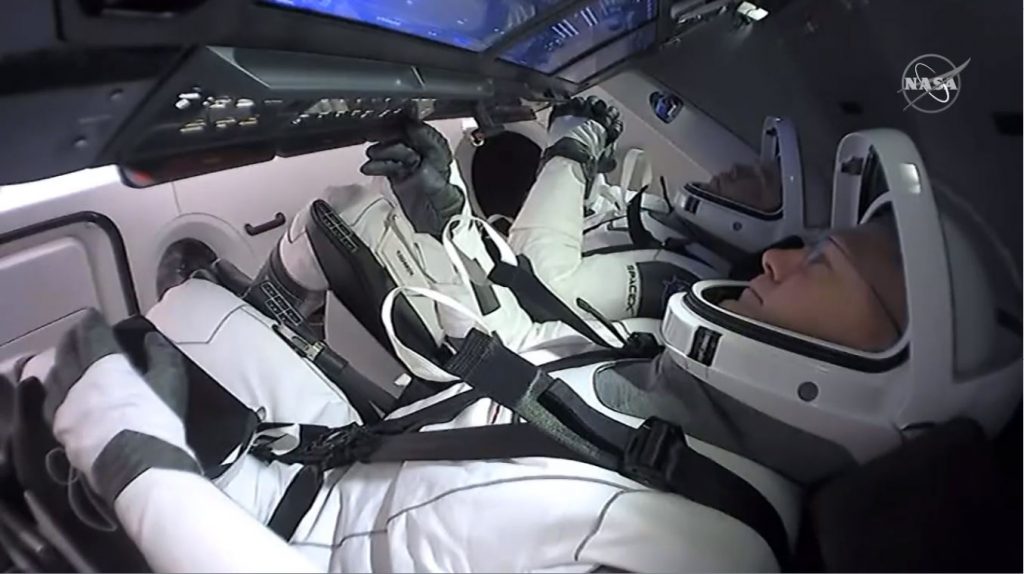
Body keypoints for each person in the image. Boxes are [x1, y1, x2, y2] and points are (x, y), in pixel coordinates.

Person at [14, 127, 1020, 573]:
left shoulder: (702, 556)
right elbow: (511, 350)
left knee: (47, 390)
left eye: (832, 262)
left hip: (282, 545)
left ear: (888, 369)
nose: (789, 254)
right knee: (190, 298)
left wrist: (131, 449)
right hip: (337, 469)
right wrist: (446, 222)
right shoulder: (671, 394)